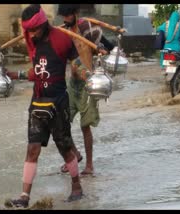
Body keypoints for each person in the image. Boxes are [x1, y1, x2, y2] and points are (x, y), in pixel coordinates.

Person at [9, 4, 83, 208]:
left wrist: (84, 73)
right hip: (38, 100)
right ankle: (24, 196)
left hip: (58, 101)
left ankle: (76, 186)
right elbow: (39, 72)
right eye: (28, 30)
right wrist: (17, 75)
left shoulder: (62, 39)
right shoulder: (32, 41)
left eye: (34, 30)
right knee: (32, 148)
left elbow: (77, 63)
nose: (31, 34)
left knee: (65, 148)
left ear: (43, 24)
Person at [57, 4, 113, 176]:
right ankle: (74, 156)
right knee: (61, 123)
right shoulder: (64, 32)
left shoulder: (87, 28)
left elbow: (107, 46)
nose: (65, 20)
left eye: (68, 16)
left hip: (88, 83)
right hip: (72, 83)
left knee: (85, 126)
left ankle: (89, 165)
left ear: (75, 14)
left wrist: (101, 50)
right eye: (63, 17)